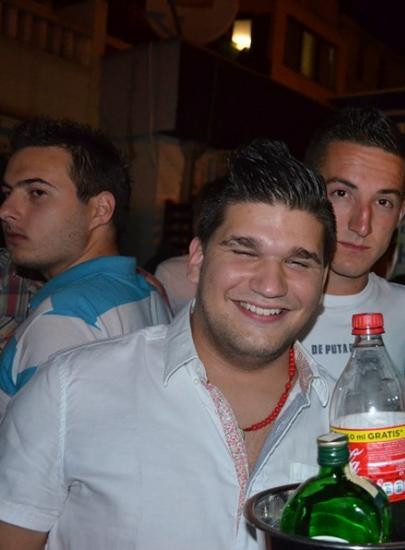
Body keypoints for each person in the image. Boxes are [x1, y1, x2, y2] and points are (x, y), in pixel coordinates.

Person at [0, 140, 337, 549]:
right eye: (244, 251)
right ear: (196, 260)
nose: (270, 285)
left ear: (322, 282)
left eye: (298, 262)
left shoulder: (344, 418)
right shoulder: (70, 388)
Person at [0, 118, 171, 414]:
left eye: (37, 193)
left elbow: (46, 443)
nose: (5, 211)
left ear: (100, 210)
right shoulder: (146, 290)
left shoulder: (64, 318)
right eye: (7, 194)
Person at [299, 106, 405, 379]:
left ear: (401, 213)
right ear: (309, 192)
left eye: (383, 202)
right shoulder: (262, 305)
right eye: (342, 194)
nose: (361, 225)